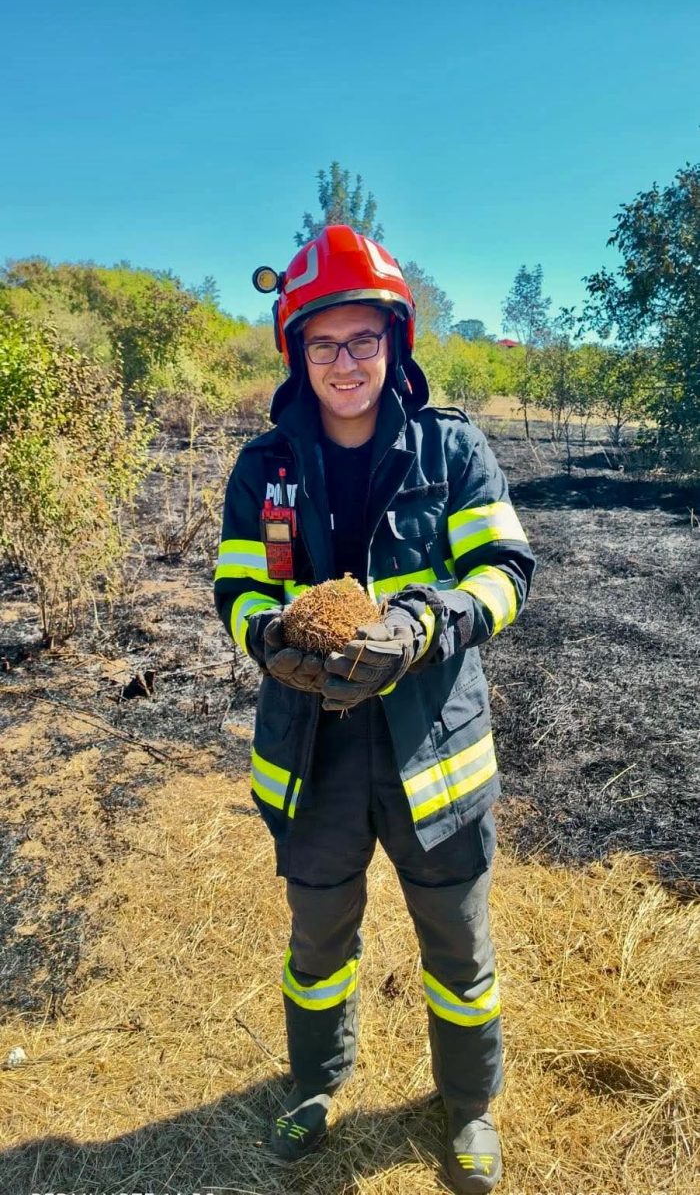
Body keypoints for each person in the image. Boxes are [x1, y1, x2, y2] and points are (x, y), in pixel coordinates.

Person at [214, 225, 535, 1194]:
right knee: (317, 945)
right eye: (323, 343)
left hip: (432, 751)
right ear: (295, 354)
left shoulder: (452, 451)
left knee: (456, 946)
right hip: (311, 756)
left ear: (395, 344)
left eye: (363, 340)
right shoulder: (261, 468)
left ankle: (469, 1106)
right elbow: (237, 589)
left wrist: (426, 623)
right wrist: (273, 640)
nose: (344, 363)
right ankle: (315, 1087)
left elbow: (506, 572)